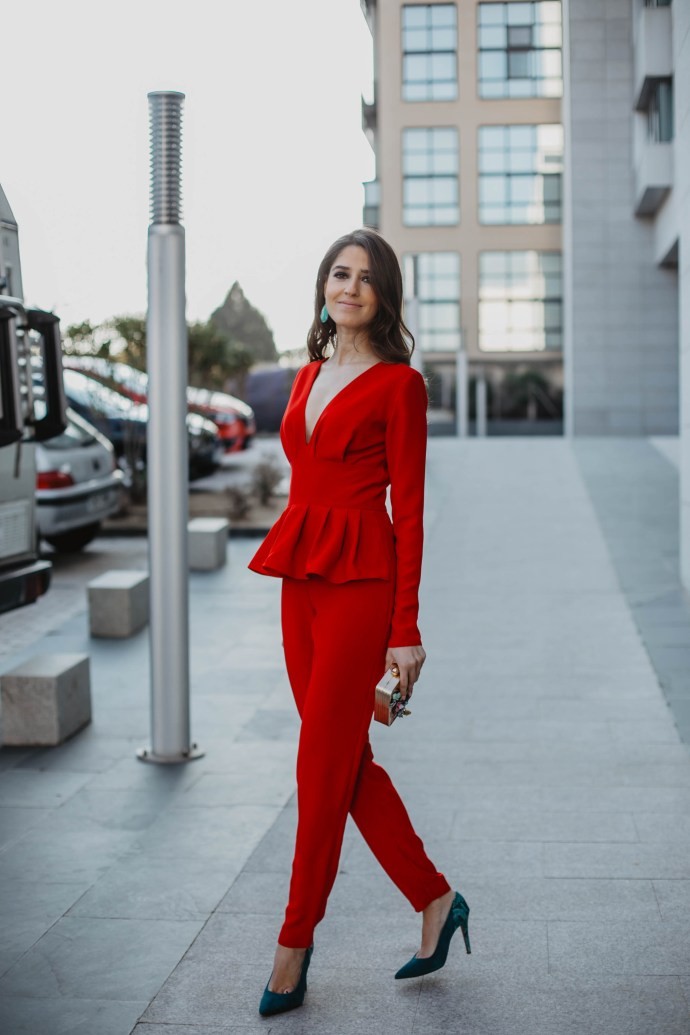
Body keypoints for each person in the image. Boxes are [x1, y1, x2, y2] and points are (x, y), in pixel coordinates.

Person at [248, 228, 470, 1018]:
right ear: (324, 285)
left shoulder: (399, 386)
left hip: (359, 584)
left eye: (365, 279)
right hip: (299, 575)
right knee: (344, 759)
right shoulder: (309, 372)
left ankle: (293, 943)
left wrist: (403, 629)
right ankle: (436, 899)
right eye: (339, 274)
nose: (349, 287)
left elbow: (407, 513)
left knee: (319, 767)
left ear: (384, 297)